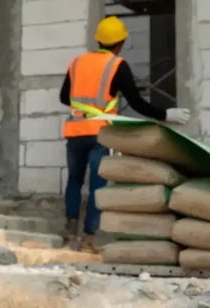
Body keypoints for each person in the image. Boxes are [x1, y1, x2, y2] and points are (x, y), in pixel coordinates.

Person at [58, 16, 190, 252]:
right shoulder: (117, 65)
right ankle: (88, 240)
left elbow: (64, 98)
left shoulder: (76, 63)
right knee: (98, 187)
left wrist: (85, 106)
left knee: (74, 181)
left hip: (75, 131)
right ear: (120, 43)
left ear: (98, 39)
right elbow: (137, 103)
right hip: (101, 134)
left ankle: (70, 236)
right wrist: (166, 114)